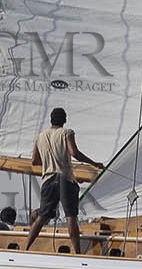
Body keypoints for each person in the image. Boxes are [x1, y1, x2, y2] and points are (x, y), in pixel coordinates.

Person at [23, 108, 103, 255]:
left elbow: (34, 161)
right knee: (70, 216)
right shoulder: (67, 132)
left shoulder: (40, 136)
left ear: (51, 120)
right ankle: (77, 253)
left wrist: (48, 163)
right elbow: (74, 153)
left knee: (42, 217)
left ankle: (25, 248)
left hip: (48, 180)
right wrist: (94, 163)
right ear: (64, 120)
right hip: (65, 179)